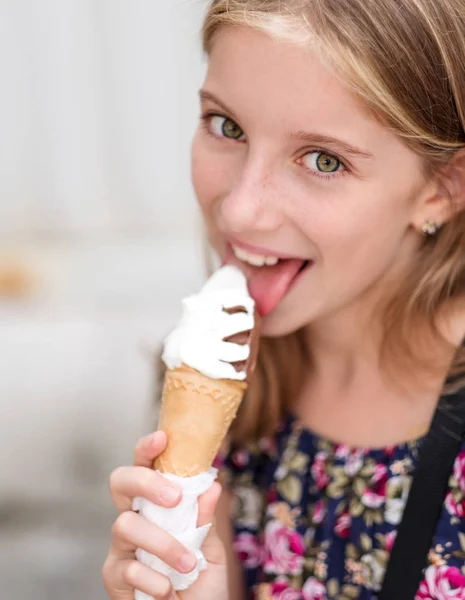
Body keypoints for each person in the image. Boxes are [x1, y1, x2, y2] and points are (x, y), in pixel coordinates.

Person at [102, 0, 465, 598]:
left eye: (324, 161)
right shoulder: (214, 387)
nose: (240, 208)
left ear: (441, 190)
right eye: (227, 126)